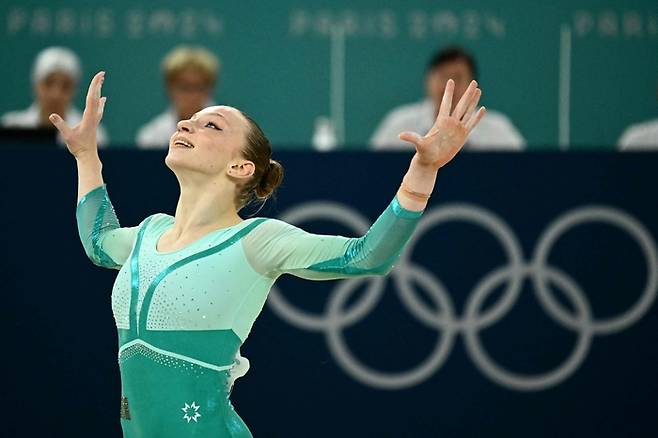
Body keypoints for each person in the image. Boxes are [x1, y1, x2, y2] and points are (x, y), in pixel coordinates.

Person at [49, 71, 486, 437]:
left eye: (211, 125)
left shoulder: (257, 241)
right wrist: (86, 155)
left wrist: (423, 170)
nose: (185, 125)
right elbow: (98, 243)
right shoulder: (149, 233)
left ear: (241, 167)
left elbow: (368, 255)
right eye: (188, 120)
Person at [370, 46, 524, 151]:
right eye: (442, 76)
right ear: (427, 80)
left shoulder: (499, 131)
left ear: (474, 84)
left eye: (458, 77)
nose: (448, 85)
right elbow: (372, 170)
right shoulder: (399, 125)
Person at [1, 46, 108, 146]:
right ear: (36, 85)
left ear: (74, 90)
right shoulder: (10, 126)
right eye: (48, 83)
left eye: (65, 86)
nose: (55, 94)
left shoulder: (93, 134)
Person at [136, 46, 220, 149]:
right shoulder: (151, 136)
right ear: (169, 88)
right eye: (184, 87)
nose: (192, 95)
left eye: (198, 87)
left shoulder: (226, 134)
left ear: (210, 89)